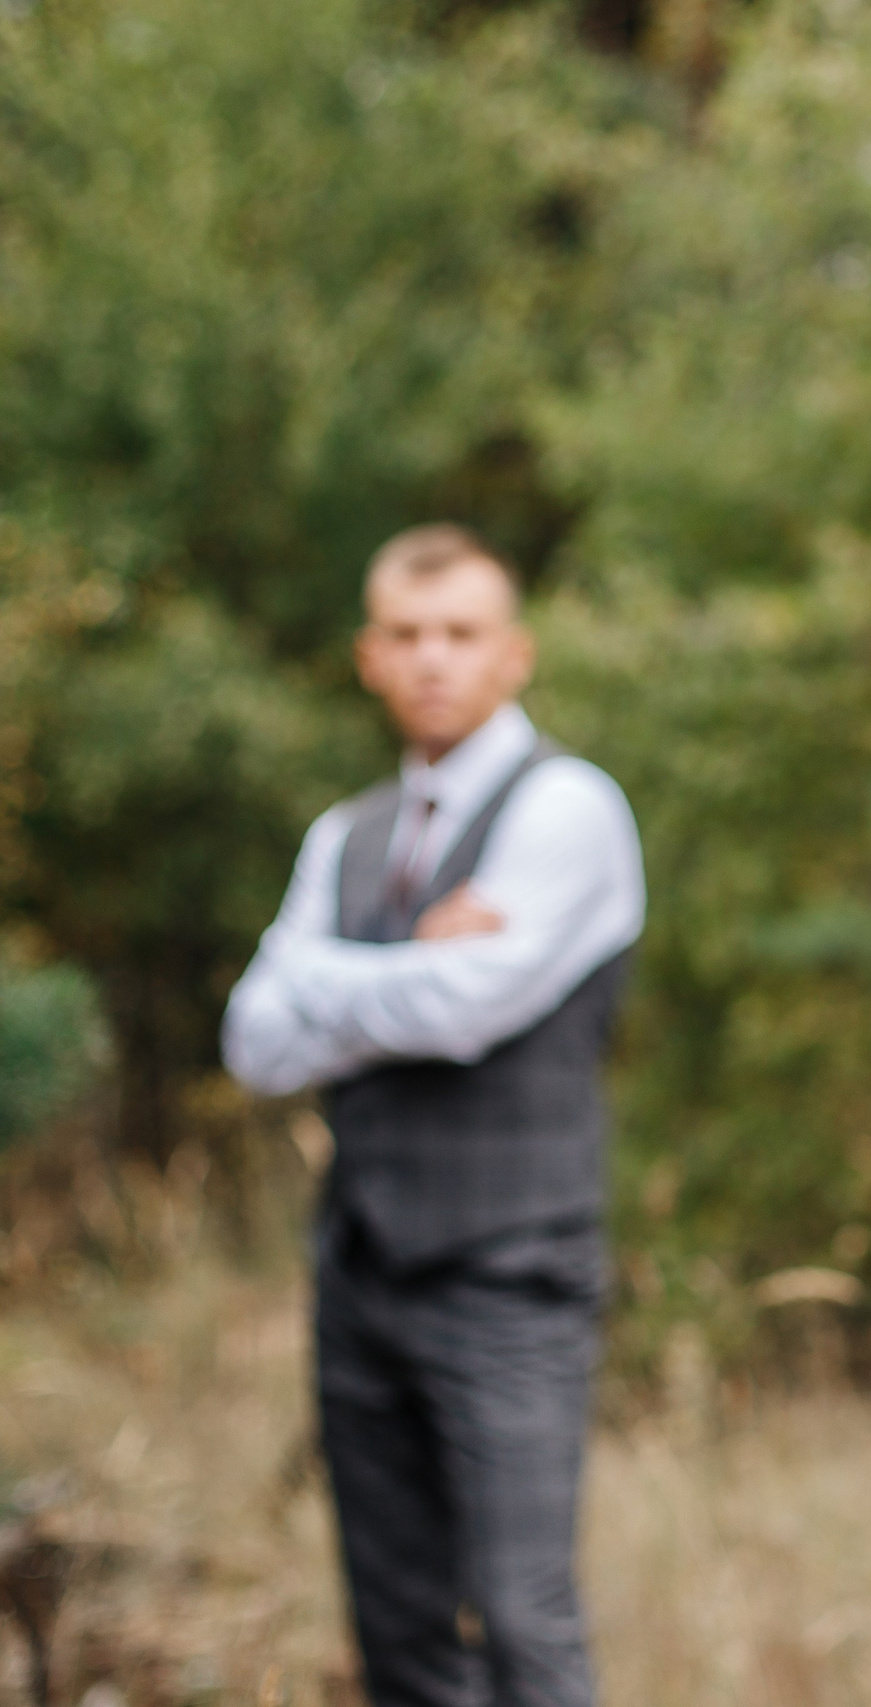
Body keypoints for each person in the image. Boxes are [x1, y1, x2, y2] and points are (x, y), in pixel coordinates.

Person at [223, 525, 645, 1707]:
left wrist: (328, 972)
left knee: (523, 1621)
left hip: (509, 1275)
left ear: (514, 654)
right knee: (397, 1631)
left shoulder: (569, 807)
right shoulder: (342, 835)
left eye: (460, 634)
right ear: (369, 655)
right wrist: (407, 958)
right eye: (406, 636)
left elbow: (469, 1011)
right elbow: (252, 1042)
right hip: (359, 1275)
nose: (432, 660)